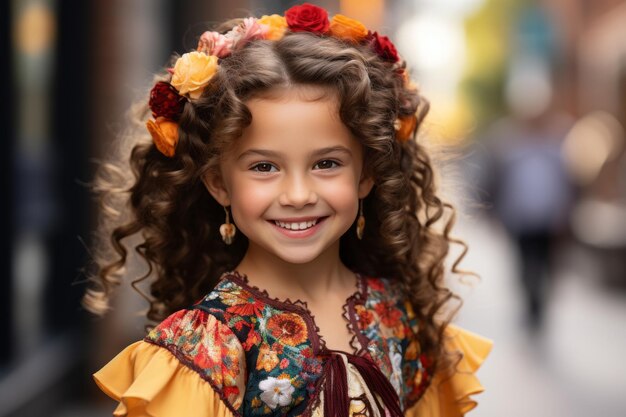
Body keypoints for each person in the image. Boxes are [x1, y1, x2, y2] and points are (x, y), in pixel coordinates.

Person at [85, 4, 492, 416]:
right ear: (219, 184)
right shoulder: (205, 346)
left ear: (366, 174)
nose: (298, 194)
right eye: (264, 167)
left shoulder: (398, 316)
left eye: (326, 163)